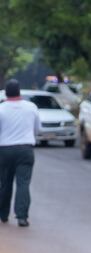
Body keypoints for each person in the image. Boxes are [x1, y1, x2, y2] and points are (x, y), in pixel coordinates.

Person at [0, 79, 41, 227]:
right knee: (23, 183)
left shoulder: (1, 109)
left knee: (5, 183)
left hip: (5, 149)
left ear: (6, 93)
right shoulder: (31, 107)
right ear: (19, 92)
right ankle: (22, 217)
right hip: (25, 149)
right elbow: (37, 129)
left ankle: (3, 215)